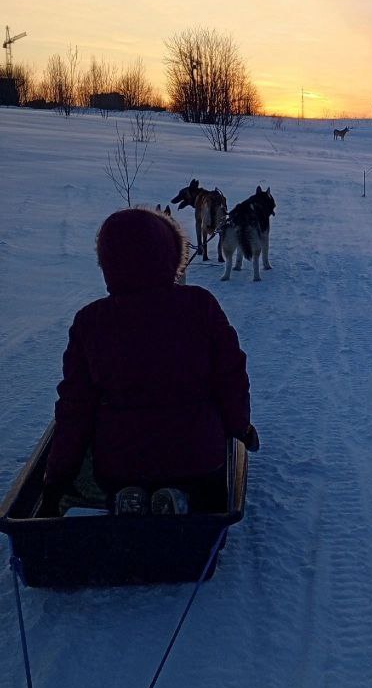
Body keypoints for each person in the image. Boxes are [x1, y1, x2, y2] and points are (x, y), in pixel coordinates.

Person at [43, 206, 259, 516]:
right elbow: (231, 378)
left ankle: (129, 497)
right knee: (202, 474)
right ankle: (180, 499)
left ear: (107, 264)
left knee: (107, 461)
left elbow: (75, 407)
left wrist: (57, 476)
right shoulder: (200, 306)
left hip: (120, 463)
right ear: (171, 255)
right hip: (197, 457)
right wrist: (240, 427)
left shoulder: (90, 322)